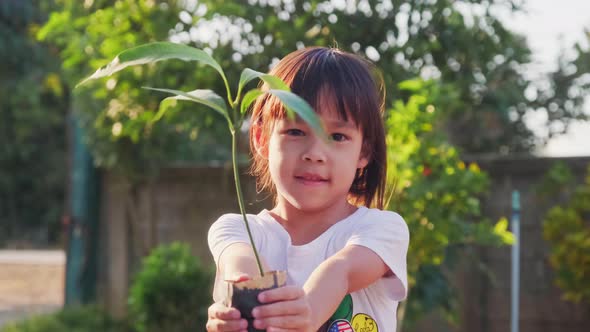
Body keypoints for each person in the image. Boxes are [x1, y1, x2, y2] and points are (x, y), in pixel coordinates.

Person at [206, 47, 409, 332]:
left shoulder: (381, 229)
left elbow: (341, 271)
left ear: (364, 151)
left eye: (337, 136)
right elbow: (242, 267)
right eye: (296, 131)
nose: (315, 153)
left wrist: (308, 313)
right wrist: (238, 316)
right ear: (261, 138)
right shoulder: (237, 231)